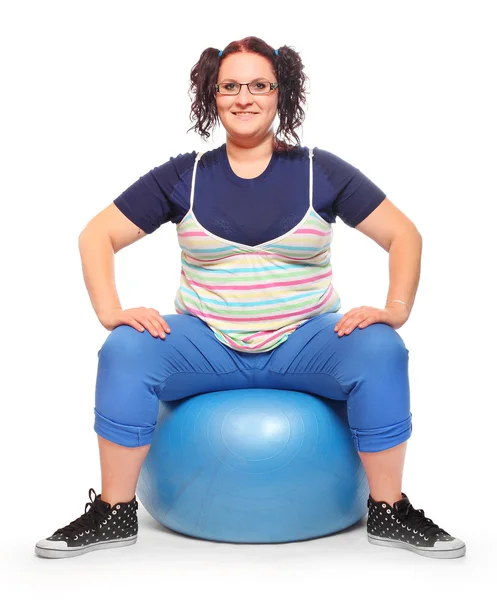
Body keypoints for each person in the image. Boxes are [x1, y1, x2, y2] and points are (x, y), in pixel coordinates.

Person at [35, 36, 466, 560]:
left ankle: (389, 510)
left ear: (280, 93)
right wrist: (111, 312)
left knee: (380, 349)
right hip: (208, 344)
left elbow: (405, 235)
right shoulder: (184, 176)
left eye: (259, 85)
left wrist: (394, 309)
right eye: (230, 87)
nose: (245, 98)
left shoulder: (318, 170)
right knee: (126, 349)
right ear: (211, 96)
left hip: (305, 343)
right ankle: (115, 512)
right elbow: (95, 234)